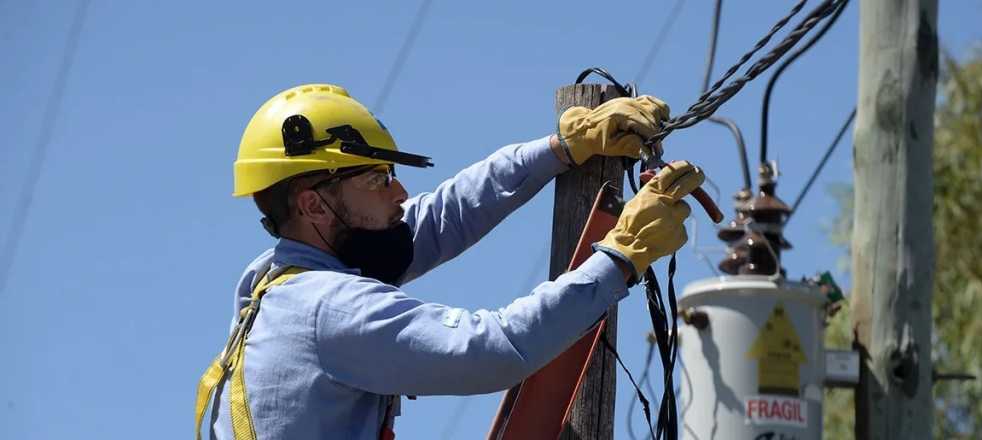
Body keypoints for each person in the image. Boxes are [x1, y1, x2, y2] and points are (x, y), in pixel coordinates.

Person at [194, 83, 705, 440]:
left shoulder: (280, 284)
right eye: (377, 179)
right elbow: (496, 348)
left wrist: (561, 149)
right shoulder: (326, 309)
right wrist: (621, 256)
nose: (399, 192)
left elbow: (444, 215)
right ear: (312, 204)